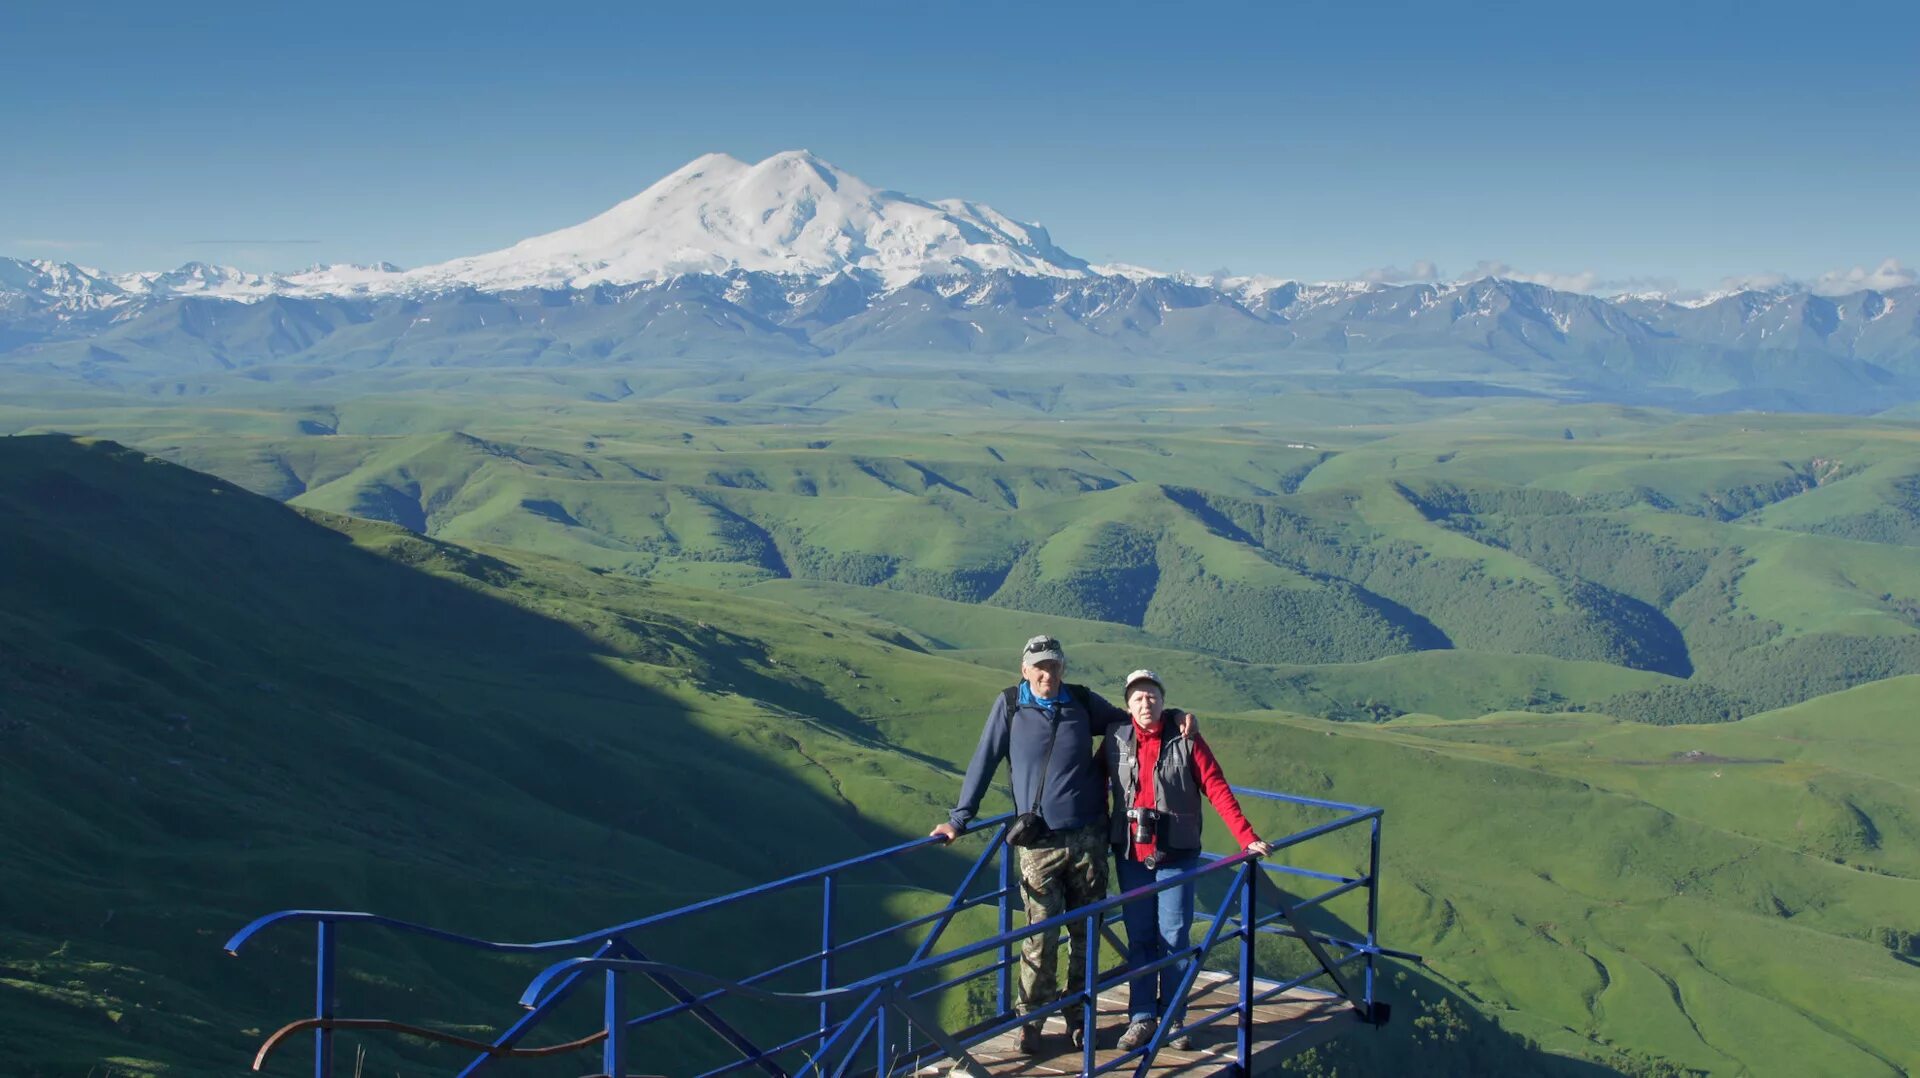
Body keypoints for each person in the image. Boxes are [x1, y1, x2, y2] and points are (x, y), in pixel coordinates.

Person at [931, 635, 1167, 1053]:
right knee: (1040, 935)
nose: (1047, 674)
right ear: (1024, 670)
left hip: (1089, 837)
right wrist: (957, 820)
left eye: (1054, 666)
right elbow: (983, 761)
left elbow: (1130, 722)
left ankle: (1080, 1016)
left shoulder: (1081, 701)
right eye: (1039, 667)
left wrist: (1176, 716)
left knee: (1086, 932)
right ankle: (1032, 1022)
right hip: (1039, 844)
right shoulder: (1009, 707)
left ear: (1063, 668)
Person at [1102, 669, 1273, 1053]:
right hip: (1131, 855)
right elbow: (1094, 783)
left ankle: (1174, 1017)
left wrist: (1246, 837)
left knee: (1175, 938)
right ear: (1127, 705)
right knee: (1141, 938)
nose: (1146, 704)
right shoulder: (1115, 740)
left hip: (1176, 856)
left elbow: (1216, 786)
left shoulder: (1187, 739)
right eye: (1138, 698)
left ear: (1163, 701)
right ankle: (1142, 1016)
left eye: (1152, 697)